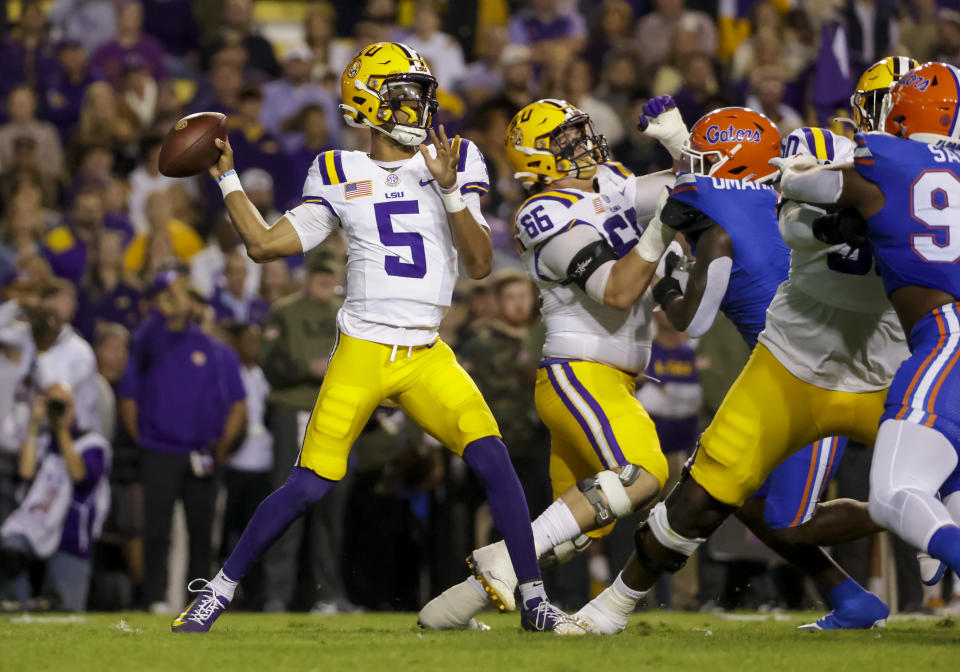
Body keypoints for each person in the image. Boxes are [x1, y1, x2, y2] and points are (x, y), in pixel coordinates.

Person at [171, 42, 580, 634]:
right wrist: (227, 175)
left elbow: (482, 263)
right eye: (404, 95)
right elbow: (264, 245)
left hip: (426, 352)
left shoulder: (455, 158)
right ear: (366, 105)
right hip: (363, 349)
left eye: (421, 94)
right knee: (308, 486)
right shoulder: (338, 170)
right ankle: (218, 591)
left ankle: (535, 600)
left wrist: (445, 190)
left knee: (493, 459)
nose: (419, 106)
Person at [575, 97, 904, 632]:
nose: (690, 168)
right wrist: (680, 144)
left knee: (788, 520)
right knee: (736, 497)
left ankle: (911, 516)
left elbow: (690, 317)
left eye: (702, 158)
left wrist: (664, 274)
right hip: (786, 369)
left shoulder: (720, 213)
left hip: (811, 374)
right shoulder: (775, 194)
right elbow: (727, 178)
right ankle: (851, 598)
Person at [418, 98, 676, 629]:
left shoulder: (611, 182)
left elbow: (687, 187)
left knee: (582, 524)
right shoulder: (545, 212)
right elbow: (616, 291)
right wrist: (667, 226)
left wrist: (680, 143)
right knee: (644, 474)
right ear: (538, 159)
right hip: (579, 372)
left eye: (582, 133)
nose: (585, 145)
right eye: (567, 140)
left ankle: (449, 609)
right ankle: (499, 559)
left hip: (610, 379)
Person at [776, 60, 960, 604]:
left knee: (894, 491)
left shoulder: (885, 154)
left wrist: (801, 165)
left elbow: (800, 182)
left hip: (946, 334)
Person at [117, 268, 247, 613]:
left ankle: (198, 601)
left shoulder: (215, 349)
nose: (180, 301)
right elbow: (128, 396)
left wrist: (222, 445)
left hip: (201, 453)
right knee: (157, 529)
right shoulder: (149, 341)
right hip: (160, 450)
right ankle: (155, 596)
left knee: (202, 532)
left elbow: (236, 401)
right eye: (172, 294)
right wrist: (141, 438)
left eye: (183, 294)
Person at [257, 251, 348, 614]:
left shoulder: (347, 313)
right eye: (319, 275)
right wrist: (305, 368)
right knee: (286, 502)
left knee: (331, 509)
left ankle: (326, 594)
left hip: (335, 414)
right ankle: (277, 594)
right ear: (307, 277)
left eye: (331, 275)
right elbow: (270, 362)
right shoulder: (285, 310)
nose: (325, 282)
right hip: (293, 411)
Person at [0, 383, 111, 611]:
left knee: (65, 610)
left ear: (76, 407)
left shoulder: (93, 443)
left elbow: (79, 475)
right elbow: (25, 472)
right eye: (53, 403)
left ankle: (42, 605)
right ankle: (21, 605)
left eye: (64, 404)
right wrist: (33, 425)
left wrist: (62, 430)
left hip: (71, 532)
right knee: (9, 547)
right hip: (35, 523)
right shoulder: (40, 439)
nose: (58, 409)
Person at [221, 322, 272, 610]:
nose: (254, 346)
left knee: (255, 534)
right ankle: (227, 590)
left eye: (257, 340)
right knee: (229, 533)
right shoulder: (231, 372)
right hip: (235, 464)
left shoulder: (261, 375)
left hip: (262, 464)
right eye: (248, 340)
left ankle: (254, 594)